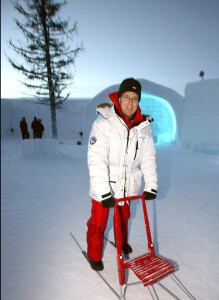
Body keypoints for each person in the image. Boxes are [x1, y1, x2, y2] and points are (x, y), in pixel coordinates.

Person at [86, 78, 158, 271]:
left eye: (135, 98)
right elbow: (96, 158)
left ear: (138, 101)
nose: (130, 103)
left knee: (124, 217)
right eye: (126, 97)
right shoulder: (103, 124)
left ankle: (121, 241)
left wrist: (151, 185)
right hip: (106, 184)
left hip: (128, 185)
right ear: (119, 98)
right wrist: (103, 192)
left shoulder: (143, 127)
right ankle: (94, 253)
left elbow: (148, 157)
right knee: (99, 221)